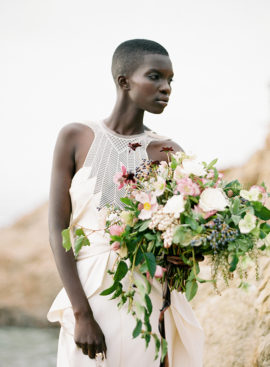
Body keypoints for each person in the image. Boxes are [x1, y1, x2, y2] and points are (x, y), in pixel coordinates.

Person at [47, 39, 204, 367]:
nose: (166, 88)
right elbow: (57, 228)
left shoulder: (168, 152)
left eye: (170, 80)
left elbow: (183, 236)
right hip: (88, 291)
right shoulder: (75, 136)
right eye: (155, 77)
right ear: (123, 81)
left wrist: (185, 255)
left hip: (143, 296)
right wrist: (81, 315)